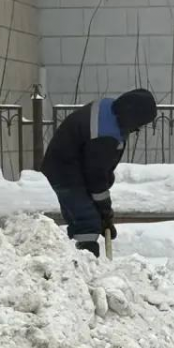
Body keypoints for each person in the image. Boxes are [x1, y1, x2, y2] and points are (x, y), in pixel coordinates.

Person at [42, 89, 158, 257]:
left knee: (82, 217)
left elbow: (100, 169)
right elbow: (96, 178)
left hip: (73, 165)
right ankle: (85, 268)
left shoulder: (110, 109)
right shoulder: (105, 134)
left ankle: (73, 262)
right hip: (64, 169)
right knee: (86, 220)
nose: (138, 128)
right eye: (140, 123)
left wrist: (103, 211)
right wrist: (105, 213)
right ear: (132, 115)